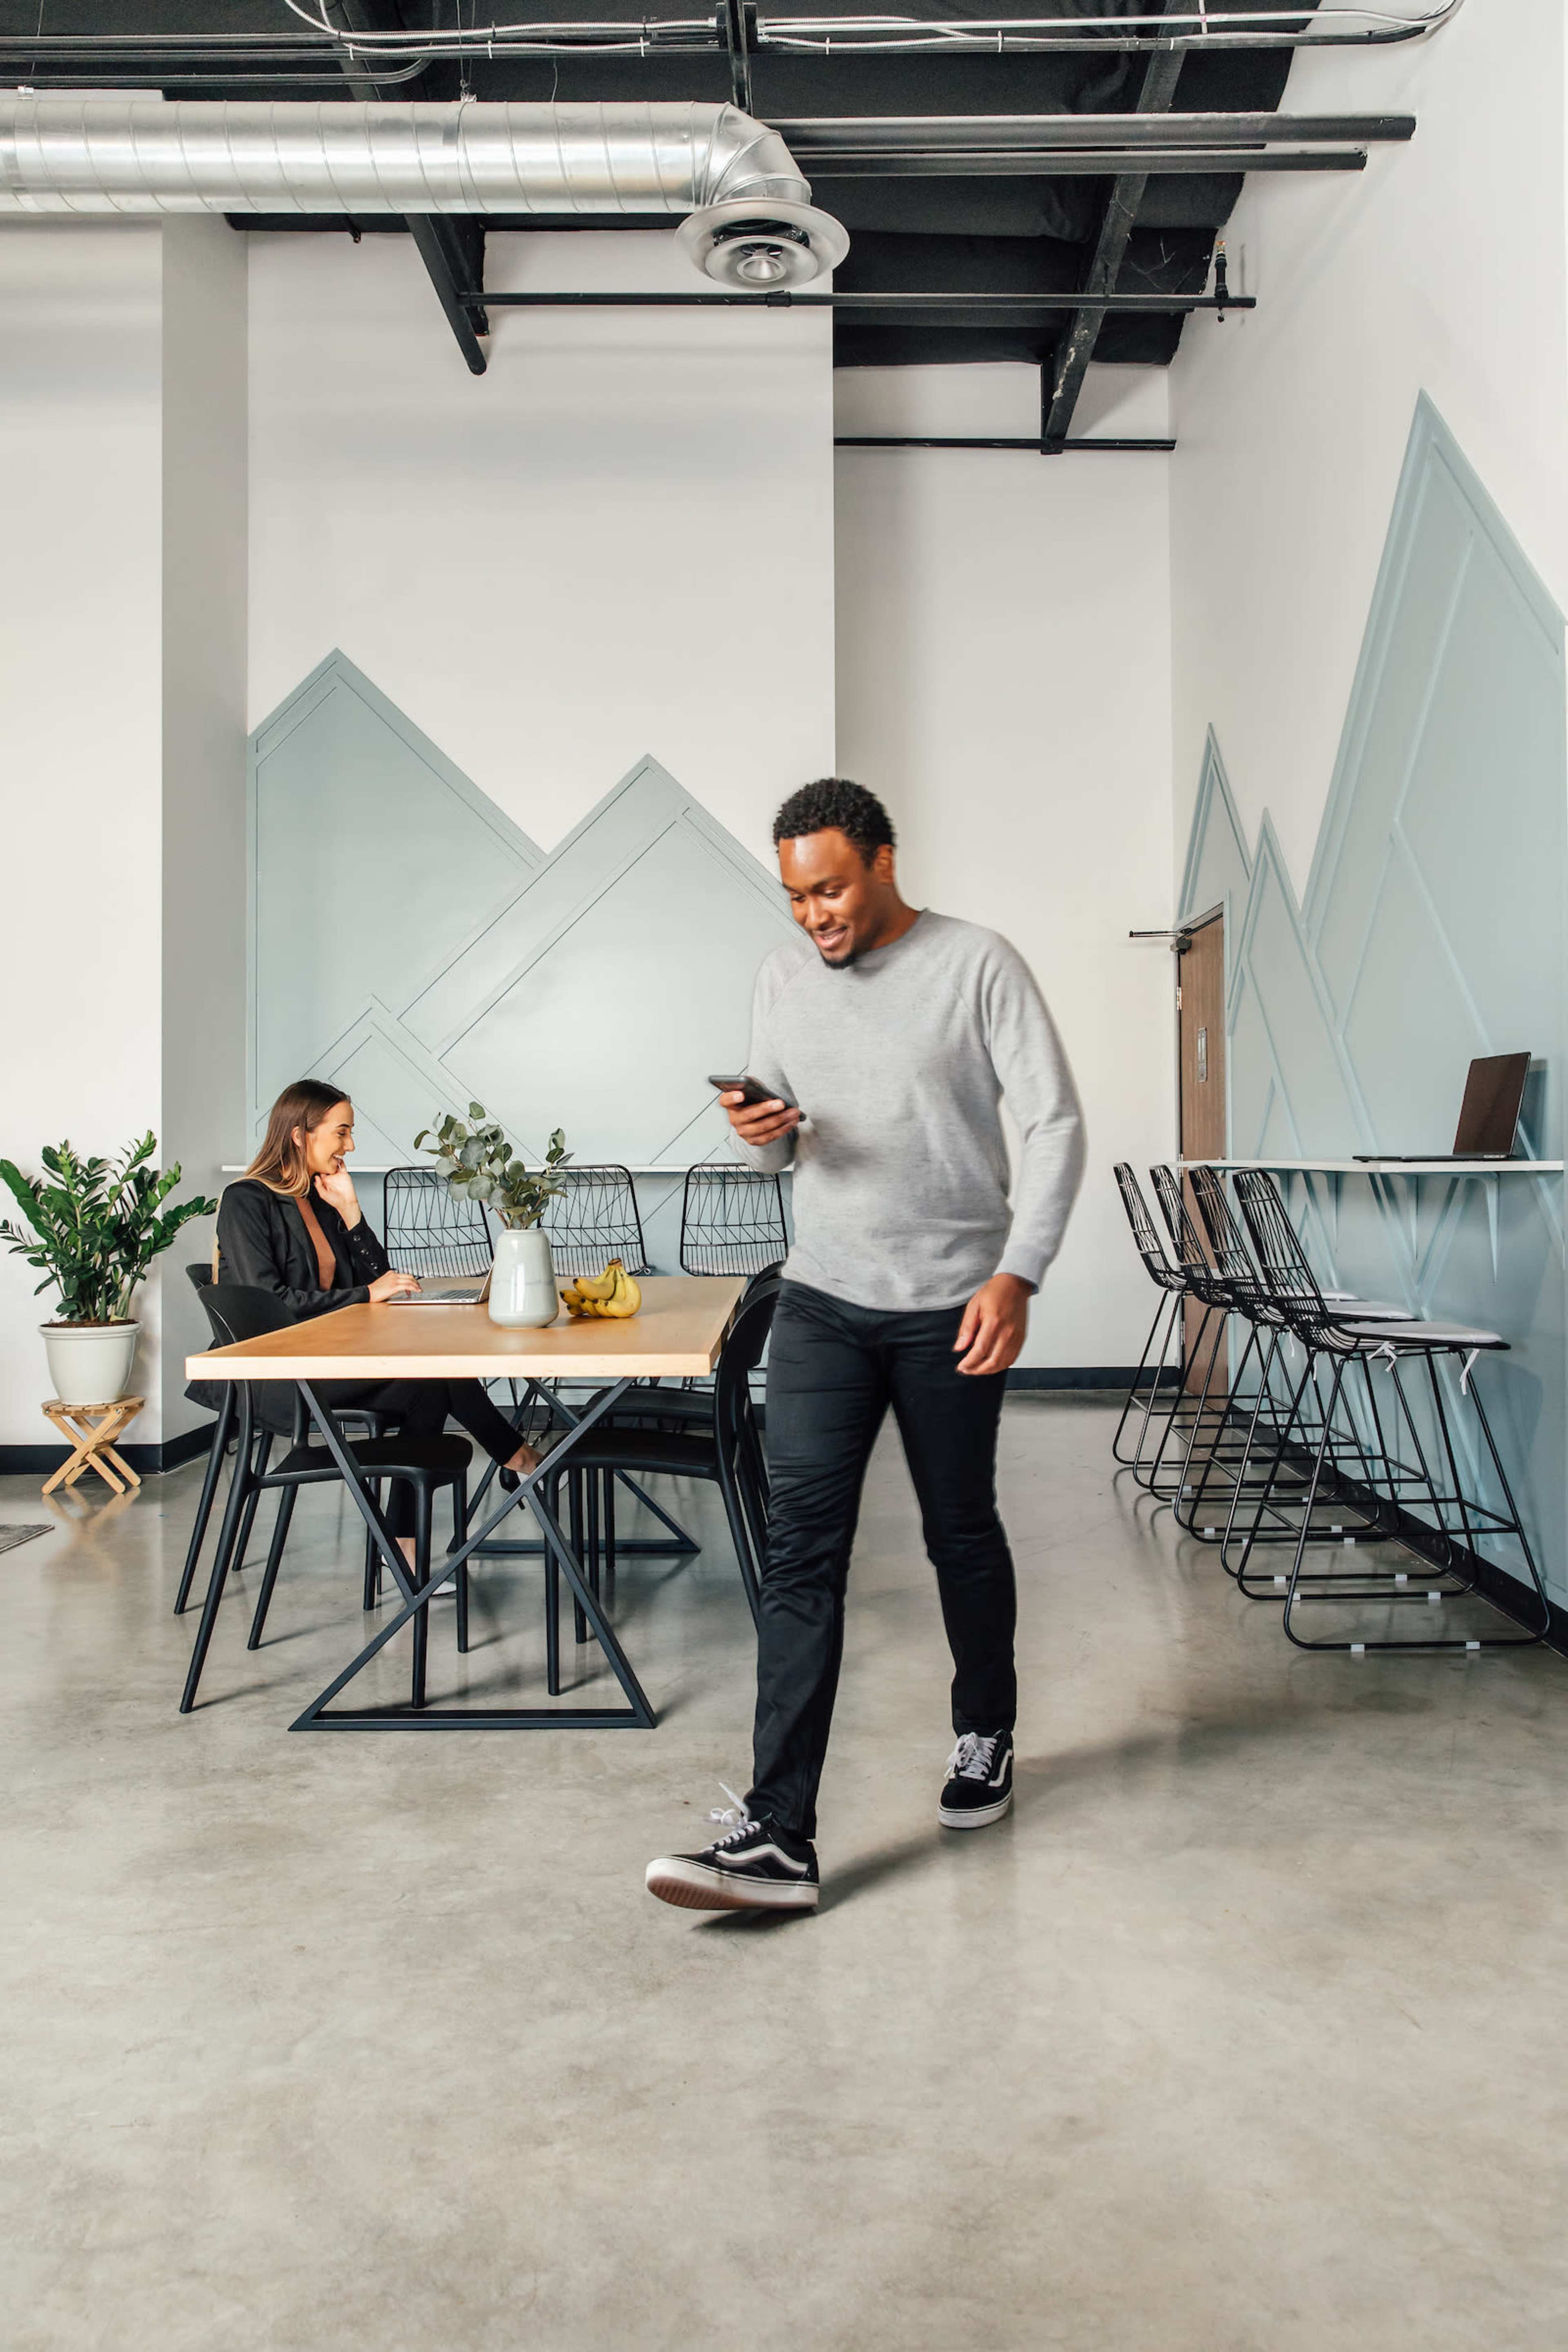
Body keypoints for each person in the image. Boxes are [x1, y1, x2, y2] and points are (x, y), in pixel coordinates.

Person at [646, 779, 1085, 1913]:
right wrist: (758, 1133)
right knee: (800, 1555)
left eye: (830, 889)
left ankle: (984, 1730)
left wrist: (1018, 1271)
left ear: (885, 862)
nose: (812, 916)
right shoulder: (783, 979)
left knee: (960, 1533)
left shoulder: (978, 964)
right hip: (825, 1302)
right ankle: (778, 1833)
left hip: (954, 1305)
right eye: (795, 895)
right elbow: (775, 1156)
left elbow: (1053, 1123)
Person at [210, 1079, 539, 1575]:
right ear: (300, 1134)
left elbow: (379, 1280)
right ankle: (522, 1461)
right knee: (438, 1376)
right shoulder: (246, 1201)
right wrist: (367, 1294)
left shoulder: (319, 1200)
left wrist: (351, 1211)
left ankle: (406, 1548)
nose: (351, 1145)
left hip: (331, 1358)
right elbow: (271, 1304)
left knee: (432, 1384)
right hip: (278, 1377)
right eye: (341, 1132)